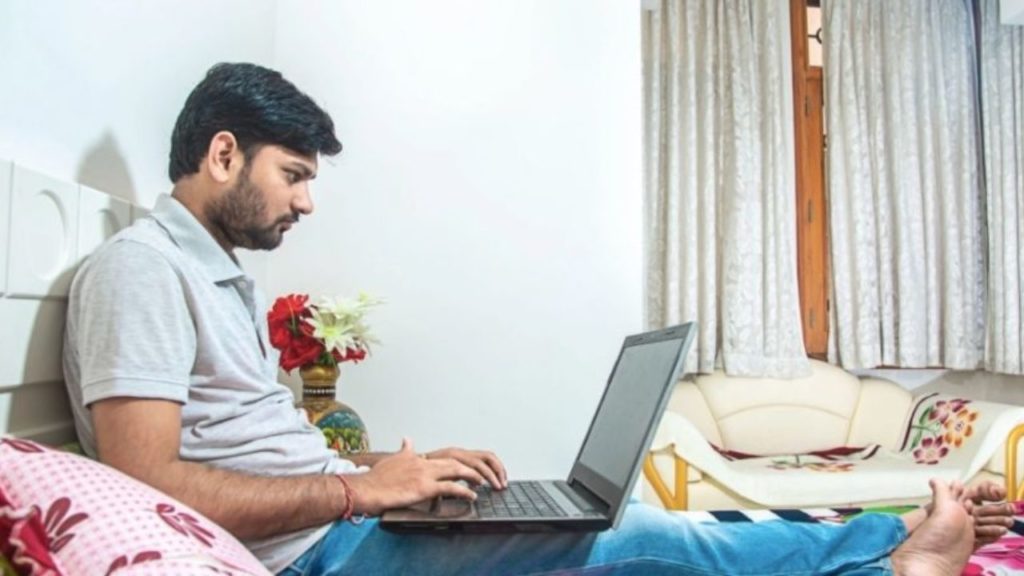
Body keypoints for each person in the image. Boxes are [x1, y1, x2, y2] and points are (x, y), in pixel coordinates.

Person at [62, 62, 1015, 576]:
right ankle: (896, 556)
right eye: (294, 175)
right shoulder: (140, 270)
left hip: (337, 523)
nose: (307, 202)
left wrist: (395, 471)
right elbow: (151, 483)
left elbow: (247, 450)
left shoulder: (211, 276)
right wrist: (361, 493)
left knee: (629, 525)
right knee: (642, 541)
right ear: (223, 154)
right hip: (320, 555)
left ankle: (891, 539)